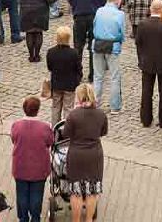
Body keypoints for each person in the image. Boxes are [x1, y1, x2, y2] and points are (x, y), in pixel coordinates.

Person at [63, 83, 108, 222]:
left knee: (76, 192)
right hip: (94, 155)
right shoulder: (101, 114)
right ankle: (89, 219)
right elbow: (103, 132)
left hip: (76, 155)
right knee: (92, 191)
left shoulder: (73, 115)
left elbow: (66, 134)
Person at [10, 96, 53, 222]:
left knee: (22, 195)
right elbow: (50, 141)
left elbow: (13, 139)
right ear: (38, 110)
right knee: (36, 195)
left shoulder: (16, 125)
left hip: (21, 167)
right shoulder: (45, 127)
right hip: (39, 168)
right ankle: (35, 218)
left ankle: (23, 218)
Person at [68, 0, 107, 82]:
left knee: (78, 46)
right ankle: (92, 74)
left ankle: (77, 74)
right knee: (93, 46)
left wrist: (76, 7)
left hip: (79, 15)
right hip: (94, 16)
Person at [135, 0, 162, 128]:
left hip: (147, 62)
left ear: (150, 9)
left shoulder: (142, 24)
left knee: (146, 92)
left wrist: (141, 58)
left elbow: (138, 43)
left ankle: (146, 119)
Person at [92, 0, 125, 112]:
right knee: (115, 77)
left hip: (98, 44)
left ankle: (95, 103)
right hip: (113, 46)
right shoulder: (120, 14)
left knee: (98, 76)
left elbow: (94, 26)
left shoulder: (99, 10)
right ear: (118, 2)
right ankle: (115, 106)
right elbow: (121, 32)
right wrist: (120, 41)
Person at [46, 26, 81, 126]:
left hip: (56, 84)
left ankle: (54, 129)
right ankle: (67, 130)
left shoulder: (51, 52)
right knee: (68, 108)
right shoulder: (73, 53)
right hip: (70, 85)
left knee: (55, 107)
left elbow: (50, 67)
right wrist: (77, 80)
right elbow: (79, 69)